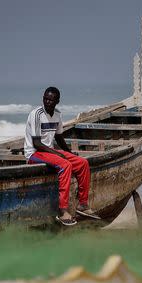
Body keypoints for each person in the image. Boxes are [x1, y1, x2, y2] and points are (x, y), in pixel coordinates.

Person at [24, 86, 99, 226]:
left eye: (51, 100)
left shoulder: (57, 114)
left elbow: (59, 137)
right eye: (45, 99)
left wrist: (68, 153)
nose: (47, 102)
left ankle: (83, 203)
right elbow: (36, 143)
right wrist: (59, 154)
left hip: (49, 151)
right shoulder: (36, 114)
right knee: (65, 165)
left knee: (82, 163)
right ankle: (63, 210)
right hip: (34, 153)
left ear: (57, 101)